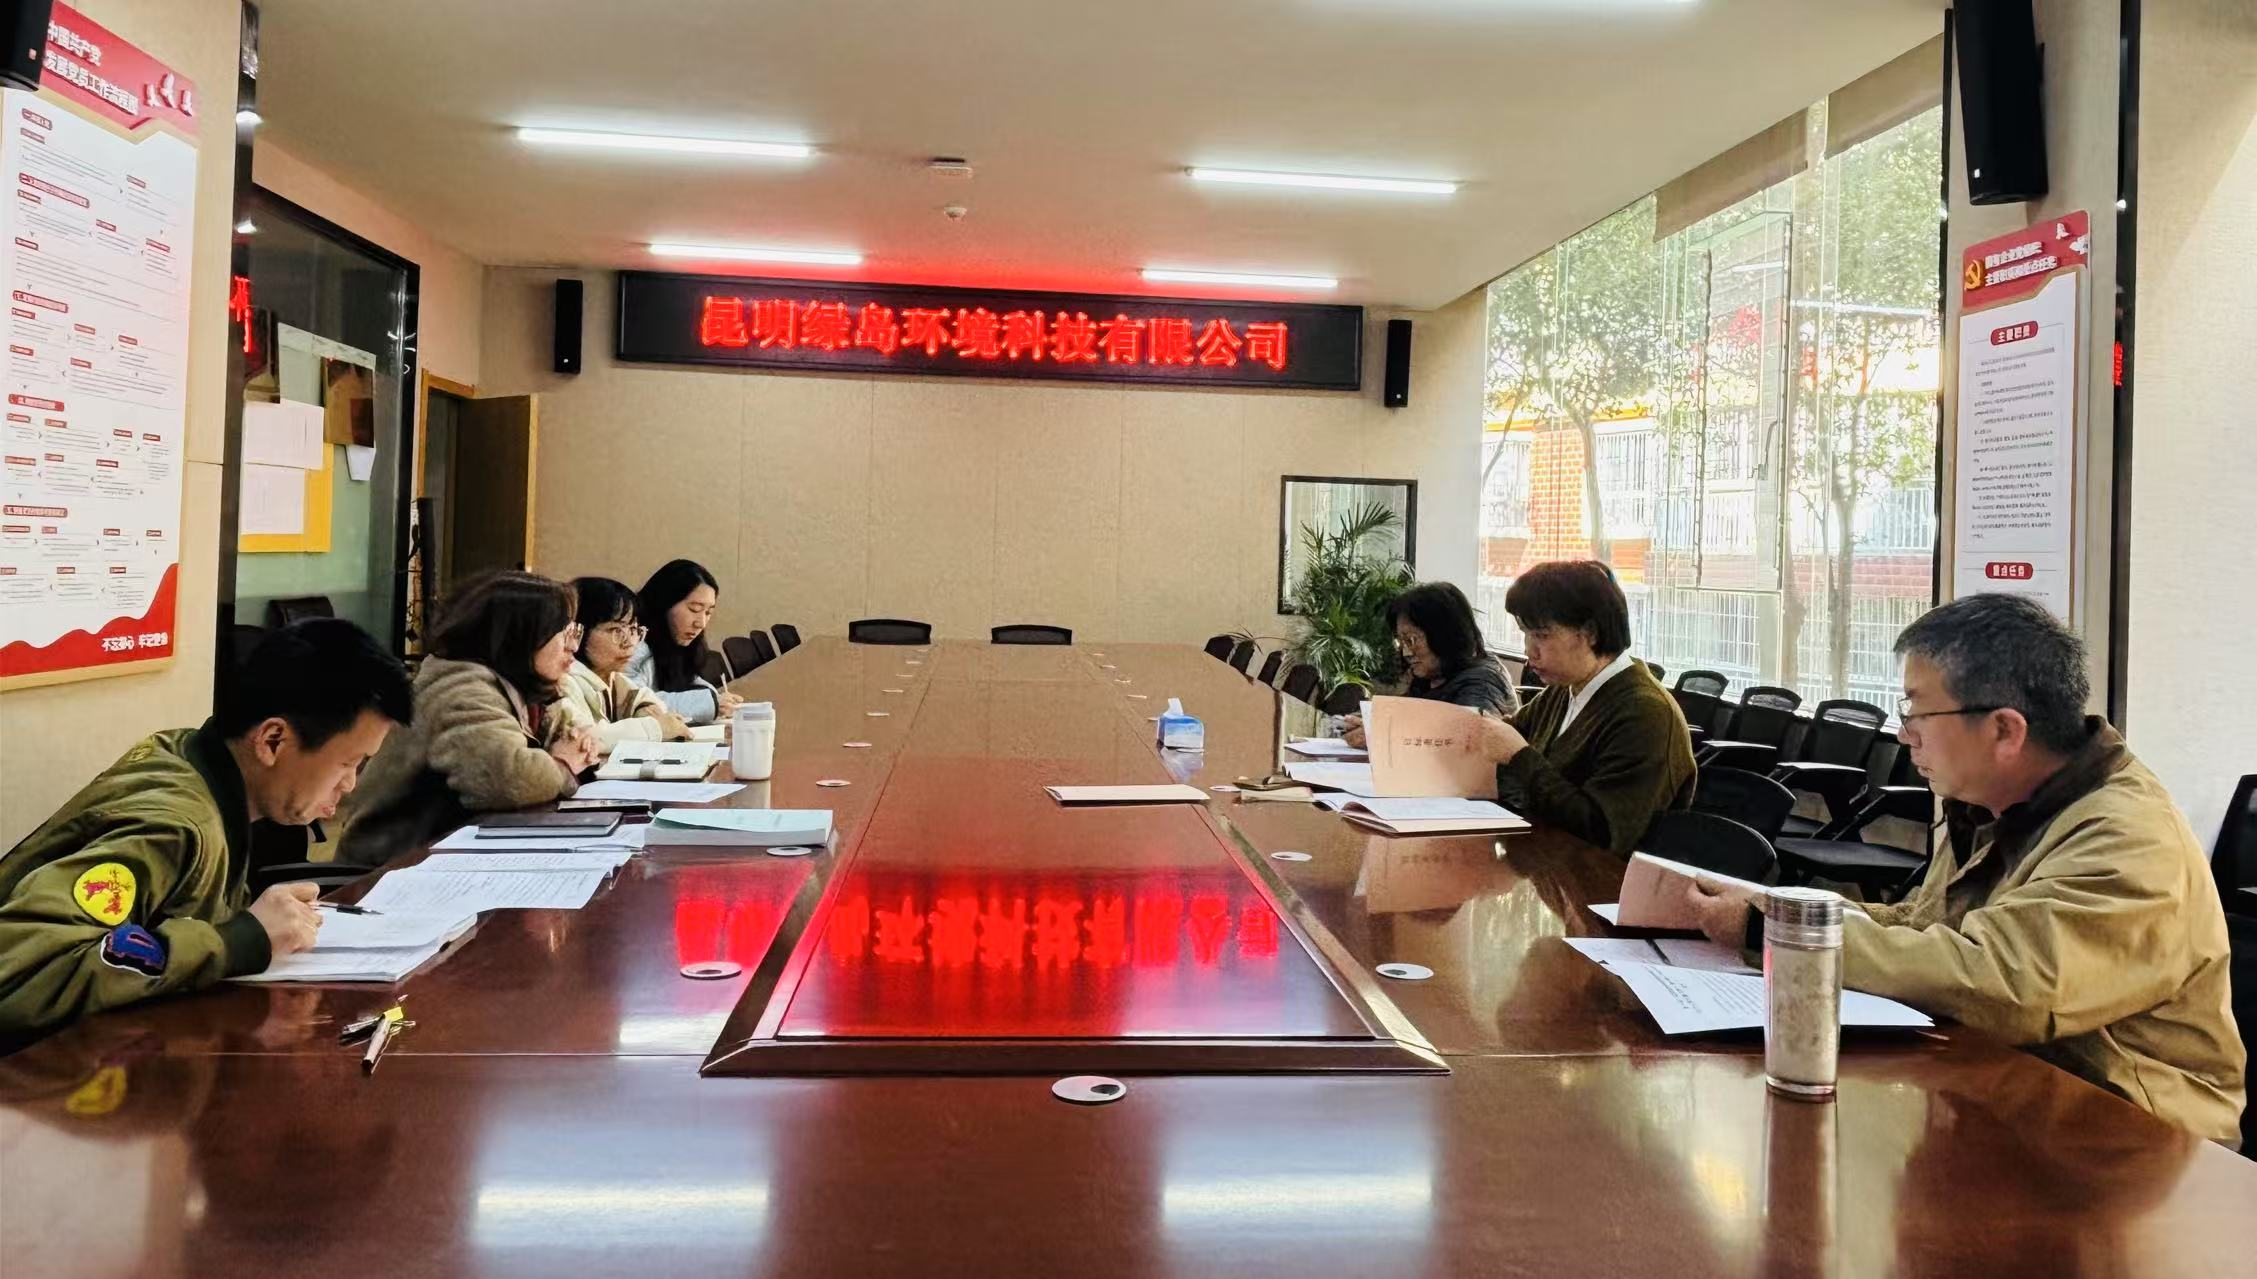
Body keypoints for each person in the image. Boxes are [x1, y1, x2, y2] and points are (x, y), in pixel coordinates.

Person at [1687, 593, 2245, 1143]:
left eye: (1917, 713)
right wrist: (1785, 911)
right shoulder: (1993, 804)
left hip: (2138, 1140)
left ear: (2004, 730)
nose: (1904, 735)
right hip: (2012, 1094)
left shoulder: (2130, 837)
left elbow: (2005, 982)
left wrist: (1774, 932)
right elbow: (1926, 926)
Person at [0, 619, 412, 1040]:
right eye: (348, 763)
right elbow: (18, 978)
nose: (350, 784)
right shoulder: (173, 828)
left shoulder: (192, 755)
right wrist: (237, 941)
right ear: (272, 740)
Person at [336, 571, 602, 866]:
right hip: (390, 867)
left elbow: (568, 736)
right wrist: (563, 764)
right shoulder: (462, 686)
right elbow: (507, 779)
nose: (573, 647)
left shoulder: (520, 685)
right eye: (564, 633)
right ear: (521, 635)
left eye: (575, 632)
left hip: (448, 856)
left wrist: (574, 743)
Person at [1459, 560, 1693, 854]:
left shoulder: (1646, 714)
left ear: (1590, 633)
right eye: (1525, 634)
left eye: (1542, 635)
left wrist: (1519, 756)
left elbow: (1601, 832)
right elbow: (1508, 735)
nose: (1529, 650)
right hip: (1544, 862)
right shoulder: (1564, 690)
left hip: (1600, 877)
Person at [1342, 581, 1518, 747]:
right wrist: (1368, 721)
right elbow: (1408, 718)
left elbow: (1465, 742)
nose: (1406, 653)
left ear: (1444, 635)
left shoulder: (1483, 682)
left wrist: (1384, 735)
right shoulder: (1433, 674)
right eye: (1401, 641)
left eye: (1412, 640)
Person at [548, 576, 691, 747]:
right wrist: (655, 728)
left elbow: (642, 697)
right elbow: (583, 737)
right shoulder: (563, 681)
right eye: (616, 630)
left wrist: (644, 710)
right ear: (577, 631)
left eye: (633, 629)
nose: (630, 642)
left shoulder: (611, 677)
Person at [626, 559, 741, 725]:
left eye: (708, 612)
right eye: (694, 609)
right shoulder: (633, 642)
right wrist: (711, 703)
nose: (701, 623)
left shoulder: (675, 640)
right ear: (665, 602)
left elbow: (689, 681)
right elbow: (633, 704)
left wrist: (716, 698)